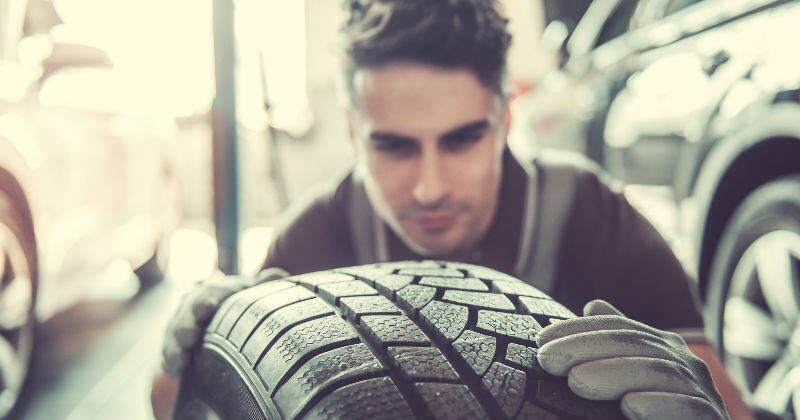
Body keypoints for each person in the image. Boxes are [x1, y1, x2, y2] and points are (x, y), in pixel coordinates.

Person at [152, 0, 752, 418]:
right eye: (394, 146)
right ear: (353, 133)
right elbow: (172, 404)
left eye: (461, 139)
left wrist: (702, 406)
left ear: (503, 120)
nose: (429, 188)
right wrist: (192, 354)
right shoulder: (316, 238)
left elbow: (732, 404)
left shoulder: (587, 214)